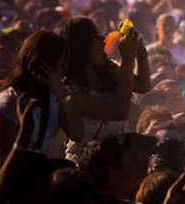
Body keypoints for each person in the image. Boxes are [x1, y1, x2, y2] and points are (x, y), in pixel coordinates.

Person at [55, 16, 151, 163]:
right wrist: (127, 59)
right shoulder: (70, 90)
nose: (103, 40)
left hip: (115, 160)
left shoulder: (107, 70)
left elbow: (143, 85)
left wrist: (140, 52)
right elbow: (119, 112)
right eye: (96, 36)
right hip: (87, 164)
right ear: (81, 44)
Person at [0, 30, 84, 172]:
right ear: (44, 64)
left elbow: (78, 134)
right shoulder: (9, 100)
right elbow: (4, 161)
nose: (64, 70)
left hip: (38, 177)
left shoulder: (54, 97)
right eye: (60, 64)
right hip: (9, 180)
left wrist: (64, 95)